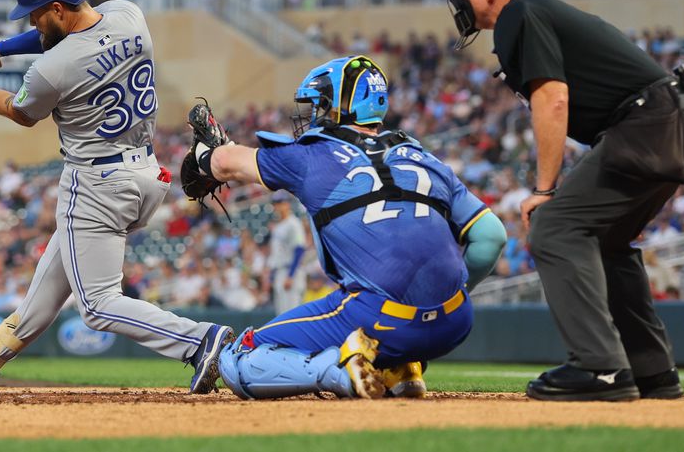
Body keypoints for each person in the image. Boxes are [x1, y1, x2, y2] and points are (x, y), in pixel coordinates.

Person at [0, 0, 231, 395]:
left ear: (59, 8)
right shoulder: (128, 15)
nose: (33, 21)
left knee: (98, 305)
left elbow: (19, 111)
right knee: (46, 291)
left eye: (37, 13)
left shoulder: (52, 68)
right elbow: (66, 39)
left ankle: (200, 341)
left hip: (96, 184)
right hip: (142, 172)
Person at [439, 0, 684, 401]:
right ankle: (652, 371)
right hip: (674, 119)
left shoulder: (517, 14)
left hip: (652, 120)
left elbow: (552, 98)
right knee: (607, 241)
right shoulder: (536, 11)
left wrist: (545, 190)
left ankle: (599, 367)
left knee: (555, 229)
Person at [190, 55, 506, 400]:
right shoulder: (424, 158)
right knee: (397, 315)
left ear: (339, 106)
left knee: (239, 357)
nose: (314, 114)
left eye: (320, 105)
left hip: (378, 318)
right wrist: (441, 302)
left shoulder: (310, 157)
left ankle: (340, 371)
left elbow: (223, 163)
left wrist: (207, 154)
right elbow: (491, 238)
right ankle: (399, 368)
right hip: (454, 323)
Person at [267, 193, 309, 314]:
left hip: (290, 272)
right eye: (275, 204)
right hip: (280, 272)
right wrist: (272, 275)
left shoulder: (294, 223)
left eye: (280, 203)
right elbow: (276, 254)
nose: (277, 207)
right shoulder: (279, 226)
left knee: (291, 314)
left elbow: (299, 249)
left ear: (287, 204)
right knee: (280, 314)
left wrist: (290, 276)